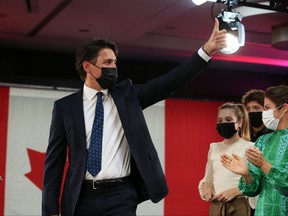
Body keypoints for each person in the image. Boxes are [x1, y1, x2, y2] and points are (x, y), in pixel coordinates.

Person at [42, 18, 227, 216]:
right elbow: (54, 163)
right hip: (81, 197)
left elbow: (169, 82)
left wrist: (206, 50)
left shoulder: (128, 96)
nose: (113, 67)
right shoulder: (65, 107)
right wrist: (51, 211)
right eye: (107, 62)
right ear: (87, 66)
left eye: (115, 62)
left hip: (120, 196)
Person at [221, 85, 288, 216]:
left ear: (284, 108)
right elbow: (252, 190)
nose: (264, 113)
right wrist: (246, 174)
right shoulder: (263, 141)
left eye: (267, 108)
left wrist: (264, 165)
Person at [198, 102, 253, 216]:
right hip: (217, 206)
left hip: (239, 206)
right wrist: (205, 185)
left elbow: (256, 183)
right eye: (220, 120)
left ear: (240, 122)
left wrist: (237, 191)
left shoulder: (250, 147)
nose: (223, 123)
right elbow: (207, 179)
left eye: (228, 120)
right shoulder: (214, 147)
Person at [241, 89, 273, 215]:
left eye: (256, 108)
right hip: (244, 200)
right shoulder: (241, 136)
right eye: (248, 109)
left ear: (266, 110)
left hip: (266, 198)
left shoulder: (273, 136)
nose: (251, 112)